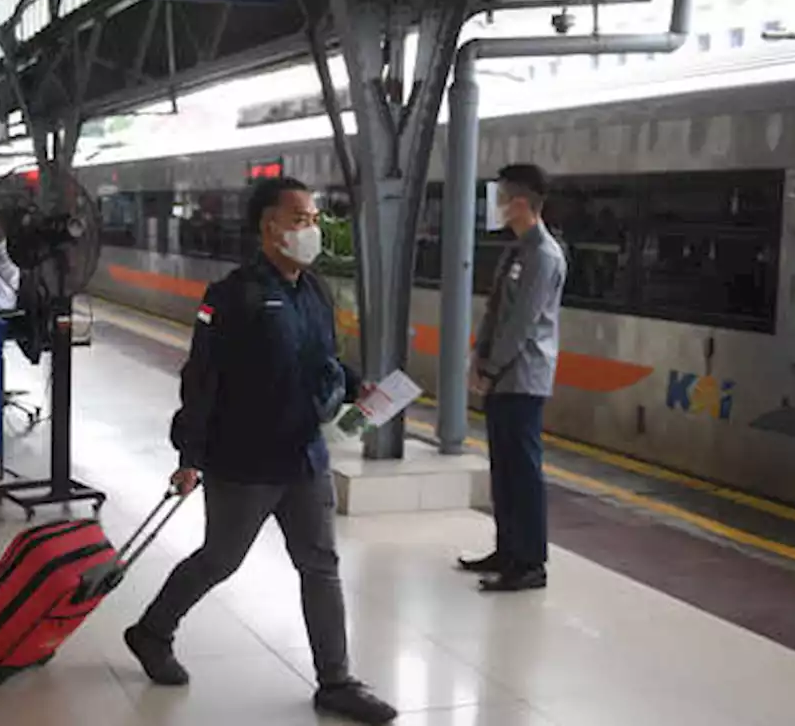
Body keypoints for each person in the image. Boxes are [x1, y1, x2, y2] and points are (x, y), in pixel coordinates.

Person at [123, 177, 398, 726]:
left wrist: (356, 384)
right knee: (221, 559)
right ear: (268, 225)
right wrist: (190, 456)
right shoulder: (231, 296)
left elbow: (322, 361)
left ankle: (336, 680)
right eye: (300, 219)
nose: (312, 229)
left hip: (304, 457)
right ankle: (151, 631)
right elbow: (201, 379)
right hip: (244, 461)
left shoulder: (315, 290)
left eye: (315, 219)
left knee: (320, 564)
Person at [459, 163, 567, 593]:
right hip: (504, 376)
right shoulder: (518, 249)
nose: (497, 205)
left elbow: (522, 324)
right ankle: (507, 548)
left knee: (523, 470)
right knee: (503, 468)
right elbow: (495, 312)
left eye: (501, 197)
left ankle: (530, 562)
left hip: (523, 378)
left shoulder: (543, 255)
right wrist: (478, 357)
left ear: (521, 203)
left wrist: (490, 366)